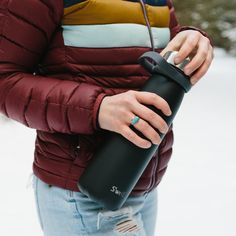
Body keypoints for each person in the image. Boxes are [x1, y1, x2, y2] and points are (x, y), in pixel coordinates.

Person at [0, 0, 213, 235]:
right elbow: (4, 80)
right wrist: (98, 108)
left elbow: (163, 53)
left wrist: (192, 38)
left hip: (142, 183)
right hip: (83, 193)